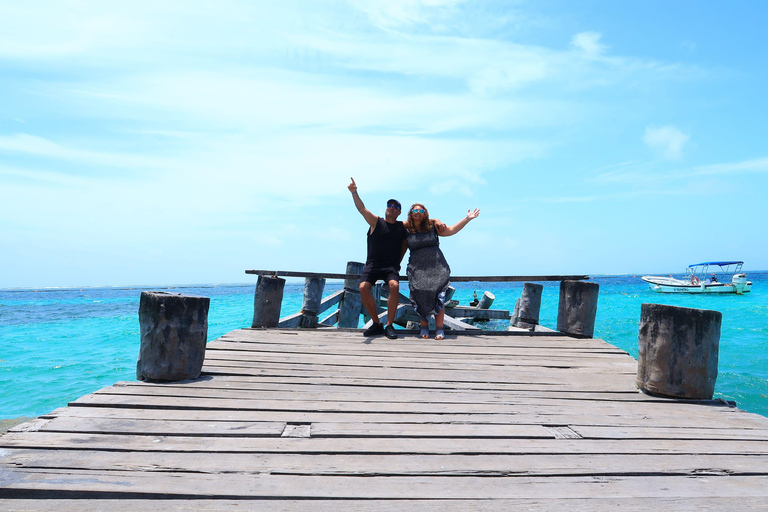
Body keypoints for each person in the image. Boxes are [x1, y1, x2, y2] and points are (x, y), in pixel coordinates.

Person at [404, 203, 480, 340]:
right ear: (411, 213)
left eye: (421, 210)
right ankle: (424, 327)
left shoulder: (432, 227)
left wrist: (467, 219)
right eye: (415, 210)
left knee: (439, 296)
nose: (418, 212)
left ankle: (439, 329)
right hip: (417, 268)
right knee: (419, 294)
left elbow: (451, 230)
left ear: (425, 213)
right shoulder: (406, 228)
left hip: (436, 266)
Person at [348, 177, 407, 339]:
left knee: (394, 286)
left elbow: (406, 243)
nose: (392, 208)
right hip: (373, 265)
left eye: (395, 207)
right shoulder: (376, 222)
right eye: (390, 205)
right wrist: (354, 192)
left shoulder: (402, 227)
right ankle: (376, 324)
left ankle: (389, 325)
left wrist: (398, 263)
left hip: (390, 267)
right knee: (363, 287)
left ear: (399, 212)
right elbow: (362, 209)